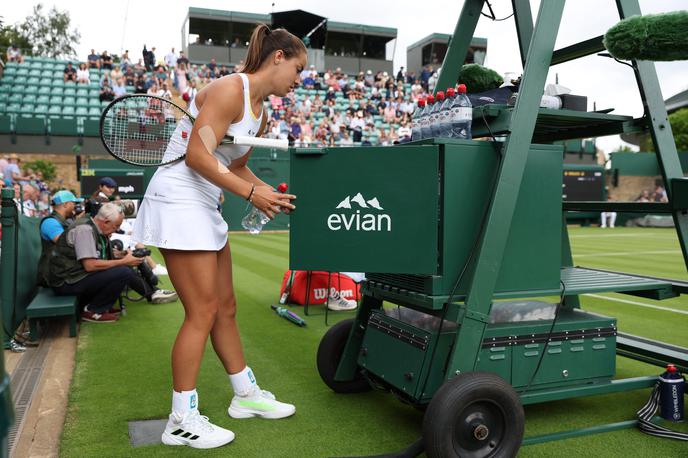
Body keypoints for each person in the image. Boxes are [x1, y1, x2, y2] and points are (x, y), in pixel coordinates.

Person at [131, 23, 303, 449]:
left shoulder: (261, 114)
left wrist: (262, 190)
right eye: (297, 69)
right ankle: (181, 419)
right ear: (277, 57)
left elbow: (234, 164)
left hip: (204, 202)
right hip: (178, 199)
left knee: (225, 306)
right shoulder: (230, 90)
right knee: (202, 311)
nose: (299, 80)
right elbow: (196, 155)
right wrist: (248, 193)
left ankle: (245, 395)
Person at [45, 203, 177, 323]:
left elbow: (94, 257)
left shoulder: (94, 227)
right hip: (65, 282)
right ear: (105, 222)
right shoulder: (84, 229)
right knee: (123, 271)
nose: (117, 230)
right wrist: (123, 262)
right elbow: (90, 265)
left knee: (122, 268)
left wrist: (121, 256)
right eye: (116, 226)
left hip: (73, 277)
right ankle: (93, 310)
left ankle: (151, 293)